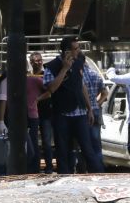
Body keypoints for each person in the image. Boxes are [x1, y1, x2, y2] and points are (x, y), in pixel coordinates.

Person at [43, 37, 101, 173]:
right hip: (62, 113)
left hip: (79, 112)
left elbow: (82, 86)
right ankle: (65, 176)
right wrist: (64, 69)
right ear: (67, 51)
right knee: (63, 149)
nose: (78, 51)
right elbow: (51, 89)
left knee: (87, 148)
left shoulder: (79, 63)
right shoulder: (51, 66)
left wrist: (89, 109)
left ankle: (98, 174)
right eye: (76, 48)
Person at [0, 69, 50, 173]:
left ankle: (25, 172)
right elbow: (3, 101)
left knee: (28, 150)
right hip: (13, 121)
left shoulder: (23, 81)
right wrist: (1, 121)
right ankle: (21, 172)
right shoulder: (7, 81)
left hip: (22, 119)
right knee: (28, 151)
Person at [30, 52, 55, 173]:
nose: (39, 62)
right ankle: (34, 166)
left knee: (46, 141)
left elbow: (50, 92)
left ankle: (49, 167)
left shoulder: (46, 75)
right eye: (36, 61)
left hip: (45, 112)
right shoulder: (28, 76)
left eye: (40, 60)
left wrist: (37, 99)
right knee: (33, 140)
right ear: (31, 62)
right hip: (32, 113)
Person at [83, 63, 109, 172]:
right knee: (96, 144)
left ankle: (86, 170)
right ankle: (99, 170)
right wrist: (97, 103)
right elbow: (105, 92)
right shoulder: (95, 75)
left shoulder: (79, 75)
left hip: (83, 112)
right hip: (96, 111)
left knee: (84, 144)